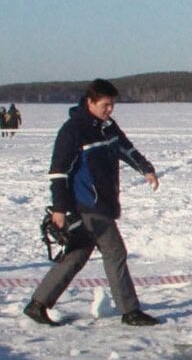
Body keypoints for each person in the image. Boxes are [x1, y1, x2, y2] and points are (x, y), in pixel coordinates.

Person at [23, 78, 163, 327]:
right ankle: (129, 310)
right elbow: (58, 173)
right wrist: (59, 209)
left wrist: (145, 168)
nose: (110, 110)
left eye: (112, 105)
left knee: (77, 254)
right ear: (90, 102)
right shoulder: (73, 130)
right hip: (87, 204)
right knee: (115, 251)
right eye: (105, 105)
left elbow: (125, 148)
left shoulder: (107, 126)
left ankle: (38, 304)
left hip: (105, 202)